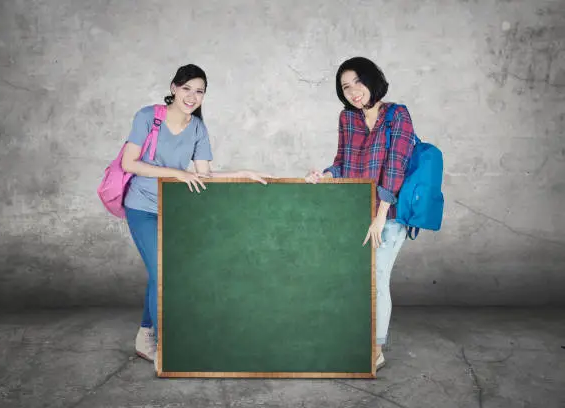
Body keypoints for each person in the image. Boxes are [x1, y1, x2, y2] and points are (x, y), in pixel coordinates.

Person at [121, 64, 272, 373]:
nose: (192, 96)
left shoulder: (198, 128)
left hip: (175, 208)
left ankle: (144, 334)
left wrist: (243, 173)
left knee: (161, 272)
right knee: (163, 272)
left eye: (199, 91)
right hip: (143, 206)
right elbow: (129, 163)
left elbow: (205, 176)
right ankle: (167, 348)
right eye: (187, 88)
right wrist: (177, 172)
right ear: (174, 88)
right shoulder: (148, 116)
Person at [305, 57, 415, 371]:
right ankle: (356, 339)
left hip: (388, 215)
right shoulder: (347, 118)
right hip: (355, 211)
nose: (354, 91)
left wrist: (381, 215)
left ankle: (375, 349)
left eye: (358, 82)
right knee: (355, 278)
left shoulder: (397, 115)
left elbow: (397, 166)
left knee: (376, 279)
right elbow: (342, 163)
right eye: (346, 86)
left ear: (372, 80)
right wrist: (324, 176)